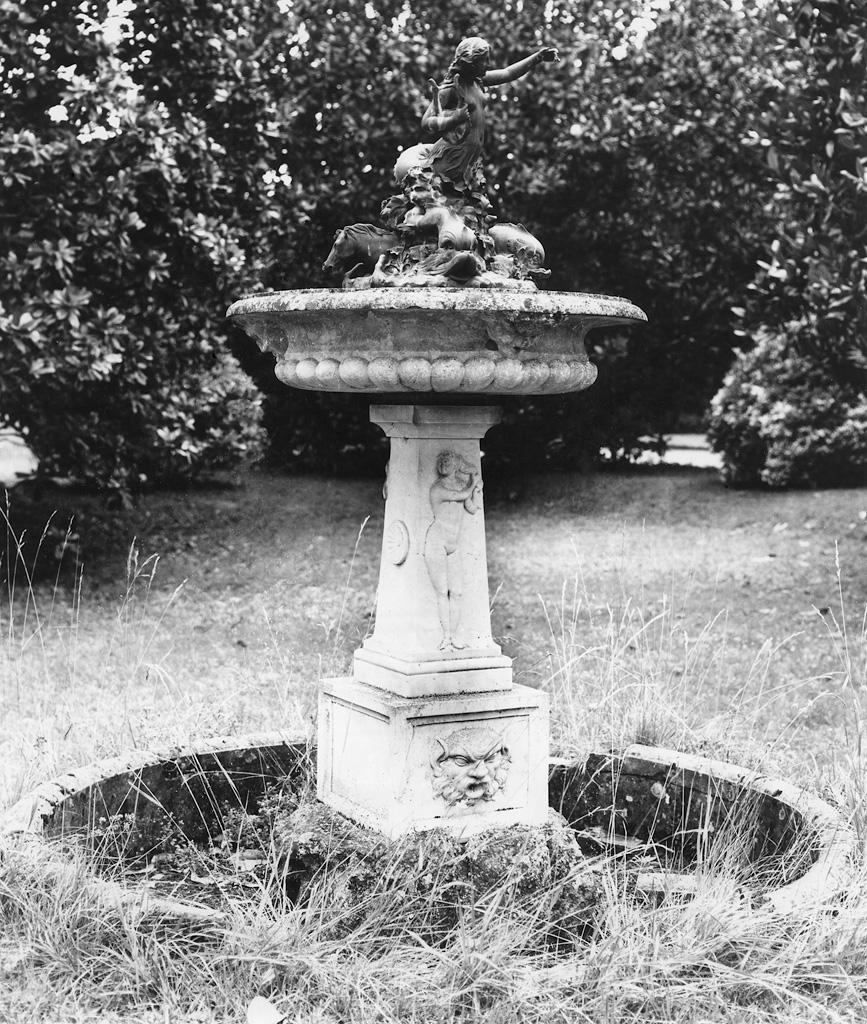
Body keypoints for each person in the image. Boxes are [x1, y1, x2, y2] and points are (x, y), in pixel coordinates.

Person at [420, 37, 560, 191]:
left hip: (468, 162)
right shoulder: (451, 88)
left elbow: (508, 73)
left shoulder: (478, 81)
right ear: (471, 62)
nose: (489, 64)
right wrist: (453, 119)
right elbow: (426, 122)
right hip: (450, 158)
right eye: (485, 60)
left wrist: (537, 57)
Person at [423, 450, 483, 650]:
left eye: (448, 462)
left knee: (456, 592)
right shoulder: (438, 488)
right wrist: (472, 482)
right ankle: (446, 636)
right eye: (441, 461)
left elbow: (471, 507)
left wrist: (475, 491)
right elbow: (462, 495)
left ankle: (455, 636)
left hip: (453, 544)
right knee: (442, 592)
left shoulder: (460, 485)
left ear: (457, 466)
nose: (443, 465)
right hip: (437, 541)